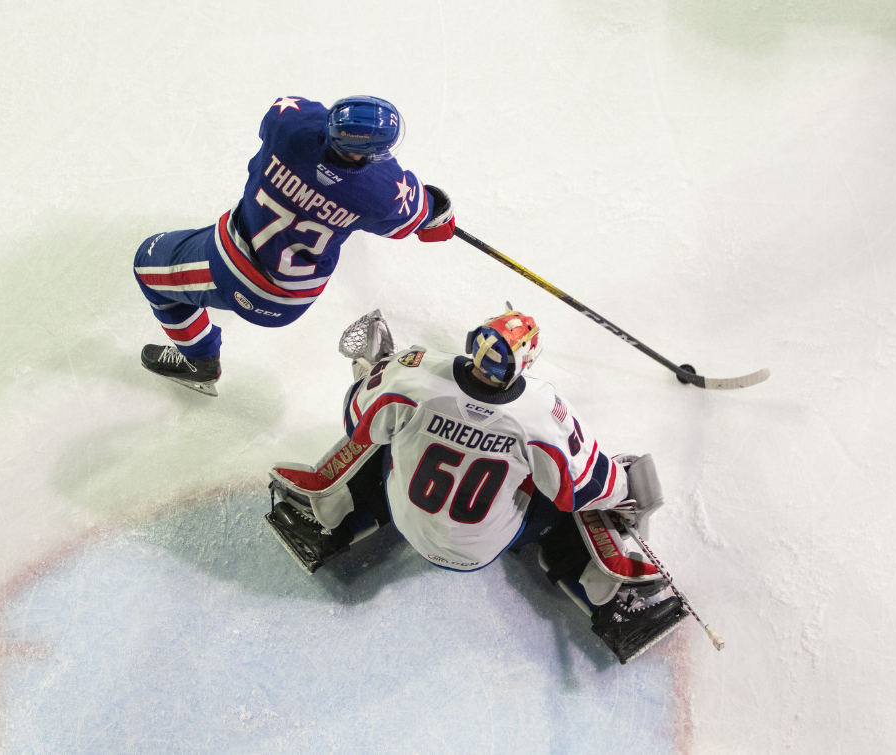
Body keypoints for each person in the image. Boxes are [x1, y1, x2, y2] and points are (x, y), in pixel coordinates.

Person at [264, 309, 690, 664]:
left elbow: (356, 419)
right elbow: (584, 487)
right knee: (563, 487)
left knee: (385, 435)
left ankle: (335, 513)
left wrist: (375, 371)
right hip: (485, 546)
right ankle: (605, 590)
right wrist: (625, 488)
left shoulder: (412, 371)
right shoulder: (540, 412)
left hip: (408, 521)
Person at [133, 96, 455, 397]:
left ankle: (199, 359)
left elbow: (291, 115)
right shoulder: (384, 191)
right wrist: (440, 213)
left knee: (146, 265)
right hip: (296, 296)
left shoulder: (287, 124)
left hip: (237, 269)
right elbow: (425, 218)